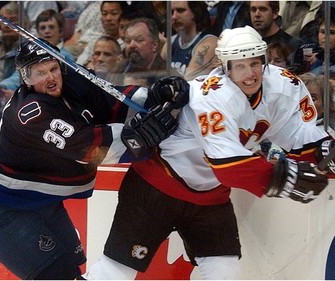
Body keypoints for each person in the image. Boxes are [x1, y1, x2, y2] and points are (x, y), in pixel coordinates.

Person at [83, 25, 332, 280]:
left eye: (255, 64)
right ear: (226, 67)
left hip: (210, 198)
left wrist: (323, 147)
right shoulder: (211, 95)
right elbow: (228, 167)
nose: (249, 74)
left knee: (225, 274)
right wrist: (283, 178)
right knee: (116, 271)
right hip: (156, 188)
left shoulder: (284, 85)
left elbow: (297, 131)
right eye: (240, 66)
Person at [0, 40, 181, 280]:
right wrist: (141, 136)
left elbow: (110, 98)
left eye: (53, 68)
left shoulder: (72, 79)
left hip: (37, 199)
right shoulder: (29, 114)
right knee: (59, 276)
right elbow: (92, 149)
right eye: (40, 73)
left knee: (72, 270)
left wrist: (152, 97)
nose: (51, 77)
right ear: (25, 78)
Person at [0, 8, 74, 98]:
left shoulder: (66, 57)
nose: (46, 31)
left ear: (61, 31)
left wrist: (18, 95)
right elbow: (17, 78)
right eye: (43, 28)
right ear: (38, 32)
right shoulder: (30, 55)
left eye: (51, 27)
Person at [111, 17, 180, 87]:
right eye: (128, 41)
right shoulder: (120, 70)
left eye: (139, 40)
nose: (131, 45)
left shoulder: (168, 76)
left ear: (154, 45)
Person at [161, 1, 218, 81]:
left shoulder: (208, 43)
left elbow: (187, 83)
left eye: (180, 10)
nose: (174, 17)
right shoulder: (170, 43)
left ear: (195, 12)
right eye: (171, 12)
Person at [250, 1, 303, 68]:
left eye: (263, 9)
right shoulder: (247, 43)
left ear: (275, 13)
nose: (257, 14)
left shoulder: (293, 45)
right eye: (253, 10)